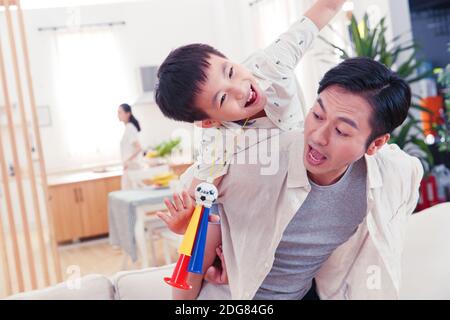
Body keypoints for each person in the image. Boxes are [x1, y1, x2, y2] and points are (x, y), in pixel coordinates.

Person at [154, 0, 346, 299]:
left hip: (289, 180)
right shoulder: (216, 139)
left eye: (230, 72)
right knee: (202, 241)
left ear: (230, 59)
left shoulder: (272, 63)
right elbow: (201, 203)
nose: (241, 89)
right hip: (242, 196)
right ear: (208, 121)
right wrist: (184, 225)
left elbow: (325, 10)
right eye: (222, 99)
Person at [117, 103, 143, 190]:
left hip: (132, 167)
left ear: (128, 114)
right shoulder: (128, 128)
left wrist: (127, 161)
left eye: (120, 112)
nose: (118, 115)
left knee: (131, 192)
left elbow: (138, 148)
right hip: (130, 167)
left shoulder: (130, 128)